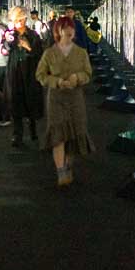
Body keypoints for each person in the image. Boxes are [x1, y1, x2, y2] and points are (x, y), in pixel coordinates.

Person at [35, 16, 95, 186]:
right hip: (56, 99)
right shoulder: (49, 53)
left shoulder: (81, 53)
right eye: (65, 28)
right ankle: (61, 171)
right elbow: (40, 75)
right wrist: (57, 82)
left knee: (74, 136)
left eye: (72, 28)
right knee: (58, 136)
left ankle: (68, 166)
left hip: (75, 99)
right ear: (58, 31)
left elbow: (88, 73)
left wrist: (77, 78)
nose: (69, 31)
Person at [4, 6, 44, 147]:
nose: (18, 24)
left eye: (20, 20)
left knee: (31, 101)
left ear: (25, 19)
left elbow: (39, 54)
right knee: (16, 103)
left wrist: (29, 47)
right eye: (15, 21)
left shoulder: (33, 35)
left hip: (30, 73)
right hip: (15, 73)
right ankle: (17, 135)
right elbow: (5, 49)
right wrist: (7, 42)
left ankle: (33, 131)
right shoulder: (11, 35)